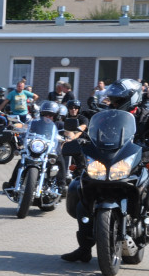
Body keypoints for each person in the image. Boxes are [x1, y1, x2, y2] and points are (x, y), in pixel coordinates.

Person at [61, 79, 148, 263]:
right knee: (80, 189)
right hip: (109, 163)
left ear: (132, 98)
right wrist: (80, 141)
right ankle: (84, 248)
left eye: (117, 100)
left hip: (136, 164)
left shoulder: (145, 117)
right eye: (112, 100)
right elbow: (92, 134)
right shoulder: (107, 116)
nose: (113, 103)